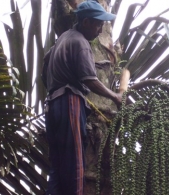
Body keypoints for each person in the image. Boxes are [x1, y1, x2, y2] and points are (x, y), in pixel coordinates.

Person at [44, 1, 122, 194]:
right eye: (97, 24)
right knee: (76, 165)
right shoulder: (80, 42)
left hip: (53, 105)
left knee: (57, 168)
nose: (100, 29)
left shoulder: (62, 38)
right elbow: (90, 80)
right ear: (85, 22)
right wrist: (115, 96)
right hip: (69, 102)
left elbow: (45, 70)